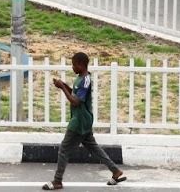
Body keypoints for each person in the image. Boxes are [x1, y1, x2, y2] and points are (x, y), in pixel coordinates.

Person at [45, 51, 126, 189]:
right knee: (94, 148)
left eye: (74, 65)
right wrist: (63, 85)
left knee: (64, 149)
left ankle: (57, 181)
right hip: (83, 120)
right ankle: (115, 171)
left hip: (79, 121)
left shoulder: (86, 80)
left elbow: (76, 102)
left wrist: (62, 88)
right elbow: (75, 94)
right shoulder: (80, 78)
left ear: (81, 65)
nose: (72, 67)